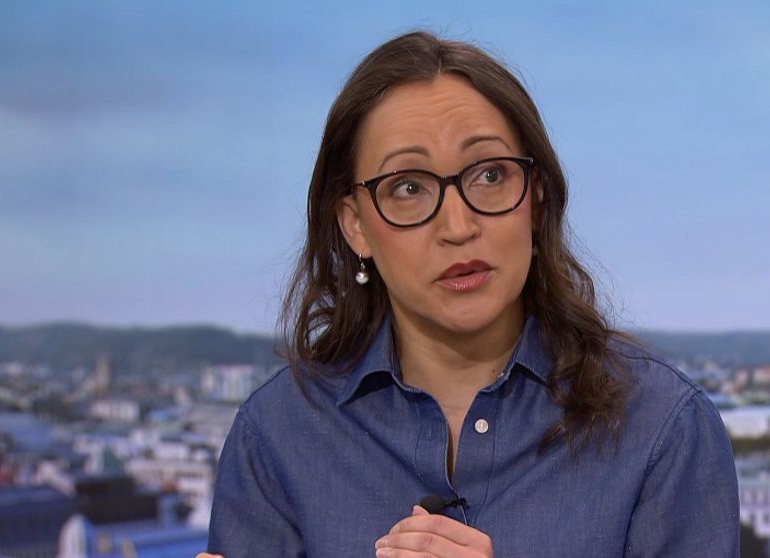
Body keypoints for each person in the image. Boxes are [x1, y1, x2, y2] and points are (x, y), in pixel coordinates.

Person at [203, 31, 739, 557]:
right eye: (408, 187)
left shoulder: (662, 427)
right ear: (355, 226)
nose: (458, 227)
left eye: (489, 175)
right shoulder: (276, 435)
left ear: (536, 199)